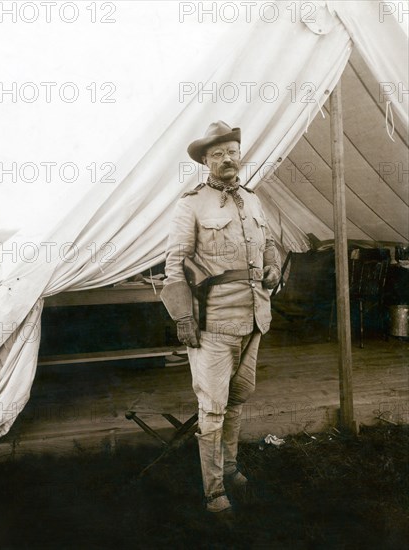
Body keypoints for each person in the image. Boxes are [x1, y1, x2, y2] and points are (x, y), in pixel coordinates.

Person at [160, 121, 281, 514]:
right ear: (206, 162)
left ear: (238, 155)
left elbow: (270, 245)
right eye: (217, 154)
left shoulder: (254, 199)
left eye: (232, 151)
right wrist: (183, 318)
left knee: (236, 401)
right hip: (213, 324)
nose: (227, 159)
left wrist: (273, 267)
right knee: (212, 409)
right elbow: (175, 264)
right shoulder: (191, 203)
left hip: (254, 319)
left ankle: (230, 469)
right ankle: (214, 494)